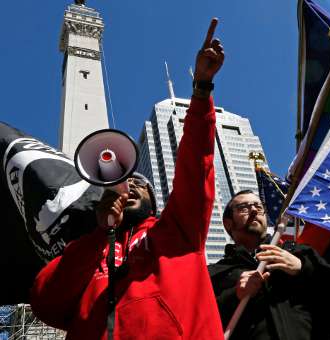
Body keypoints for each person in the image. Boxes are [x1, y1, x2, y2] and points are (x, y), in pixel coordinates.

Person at [30, 18, 225, 340]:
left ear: (154, 201)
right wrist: (99, 235)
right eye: (123, 183)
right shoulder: (86, 249)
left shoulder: (177, 229)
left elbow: (195, 166)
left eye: (139, 184)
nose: (130, 186)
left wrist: (201, 91)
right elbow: (46, 302)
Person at [208, 190, 330, 340]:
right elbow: (199, 325)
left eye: (259, 206)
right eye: (244, 208)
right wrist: (235, 296)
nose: (254, 210)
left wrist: (303, 268)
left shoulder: (301, 253)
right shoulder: (215, 274)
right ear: (228, 223)